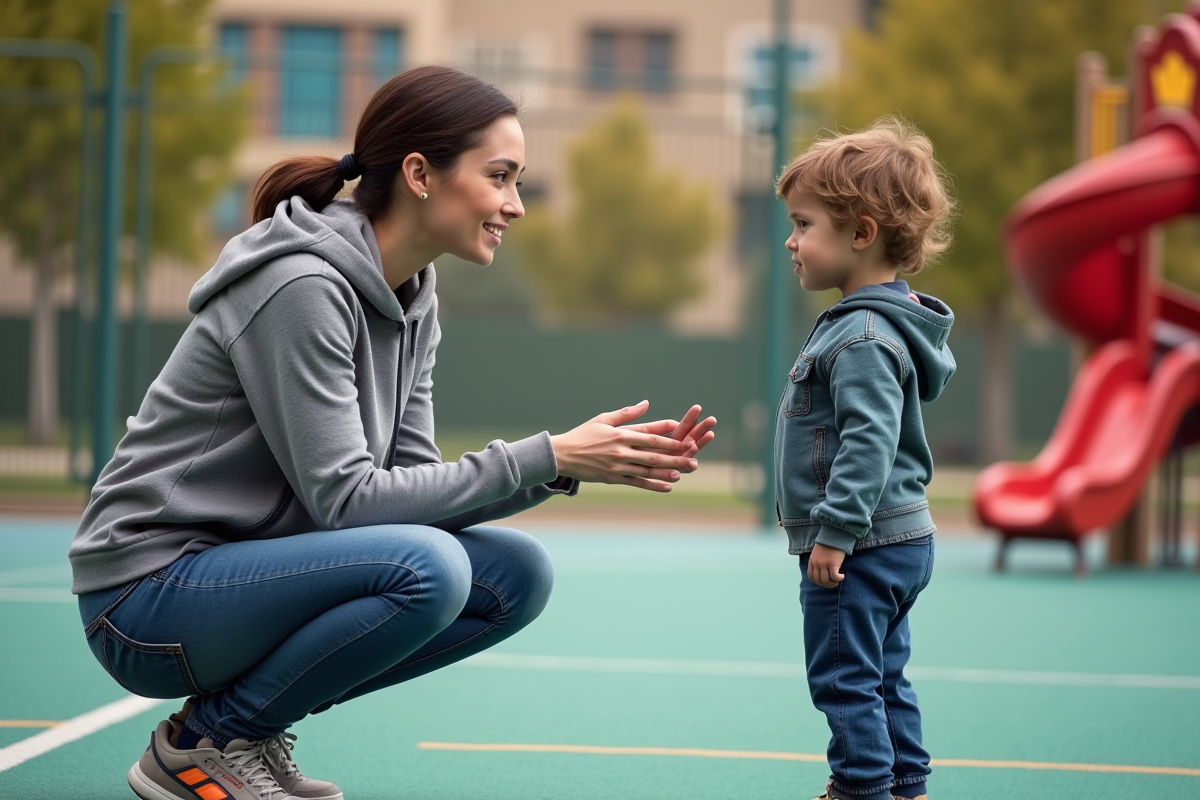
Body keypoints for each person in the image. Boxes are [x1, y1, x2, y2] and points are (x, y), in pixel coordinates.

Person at [69, 65, 717, 800]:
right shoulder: (300, 286)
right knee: (428, 568)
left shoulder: (414, 295)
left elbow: (413, 486)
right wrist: (548, 453)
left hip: (242, 573)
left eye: (520, 181)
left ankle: (235, 731)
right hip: (148, 598)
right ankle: (206, 744)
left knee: (515, 576)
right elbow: (348, 500)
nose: (516, 205)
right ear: (419, 173)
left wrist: (563, 468)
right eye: (500, 176)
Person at [771, 117, 956, 800]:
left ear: (861, 233)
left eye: (803, 224)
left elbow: (868, 443)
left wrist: (835, 533)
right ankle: (904, 784)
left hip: (863, 545)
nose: (791, 242)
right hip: (900, 541)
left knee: (845, 675)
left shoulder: (862, 337)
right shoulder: (886, 322)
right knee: (882, 672)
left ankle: (860, 790)